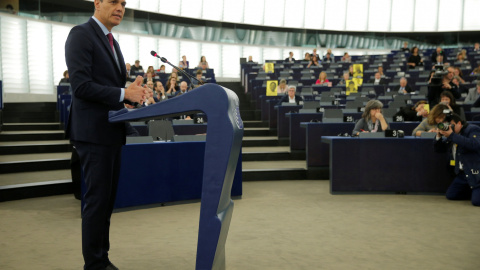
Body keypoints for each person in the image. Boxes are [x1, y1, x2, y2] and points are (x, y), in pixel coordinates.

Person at [64, 0, 147, 269]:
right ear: (97, 3)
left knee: (107, 204)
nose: (120, 7)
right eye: (114, 1)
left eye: (123, 3)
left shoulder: (113, 42)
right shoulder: (81, 34)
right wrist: (124, 93)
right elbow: (82, 86)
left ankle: (103, 259)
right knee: (97, 203)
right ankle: (94, 264)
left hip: (111, 130)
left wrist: (129, 97)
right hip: (93, 134)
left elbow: (106, 89)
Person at [434, 113, 480, 206]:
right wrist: (438, 136)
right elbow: (439, 150)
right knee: (451, 195)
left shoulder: (472, 129)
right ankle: (474, 192)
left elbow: (474, 144)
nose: (449, 128)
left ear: (459, 123)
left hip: (476, 173)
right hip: (463, 174)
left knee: (476, 202)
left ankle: (476, 193)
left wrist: (451, 135)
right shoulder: (452, 135)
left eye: (451, 125)